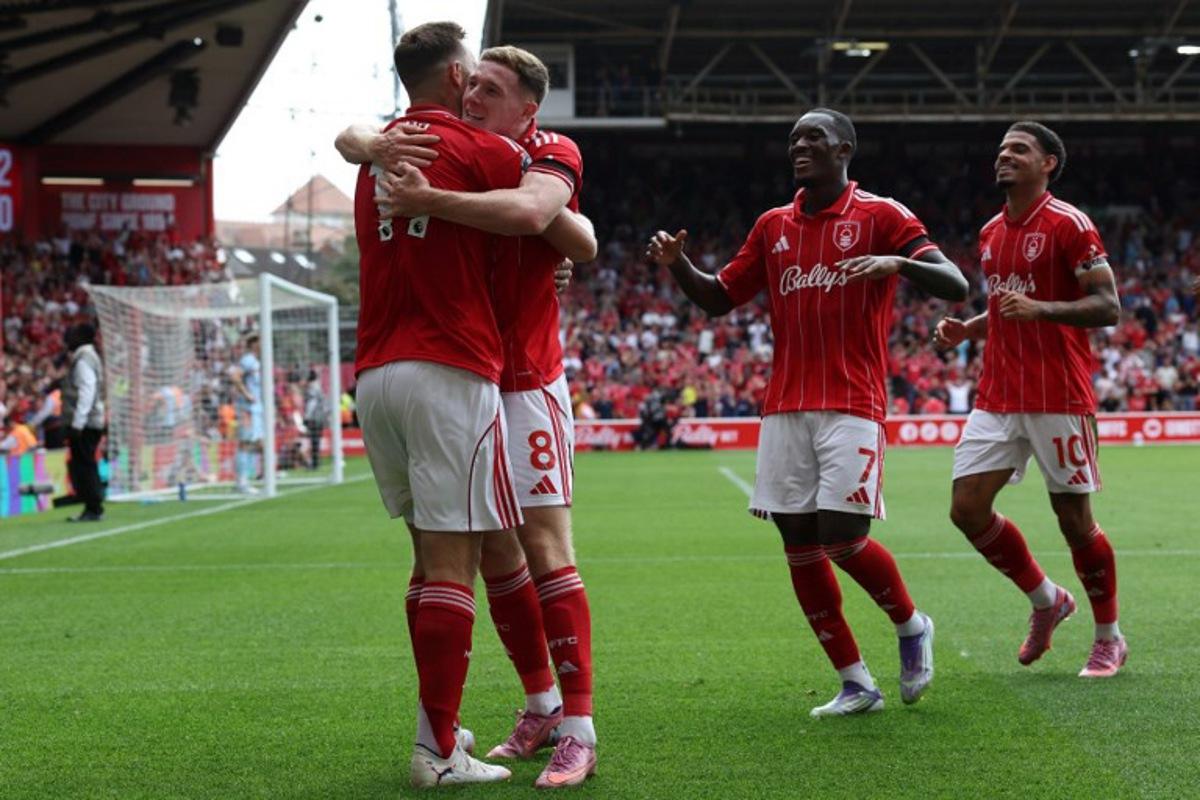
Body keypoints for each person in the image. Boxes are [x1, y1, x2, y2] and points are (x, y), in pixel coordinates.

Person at [648, 108, 968, 716]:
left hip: (853, 400)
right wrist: (679, 267)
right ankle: (855, 681)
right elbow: (720, 298)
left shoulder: (882, 214)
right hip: (785, 405)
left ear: (844, 147)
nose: (800, 146)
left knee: (842, 536)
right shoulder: (773, 225)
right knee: (797, 539)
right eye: (794, 138)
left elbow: (954, 283)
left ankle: (910, 625)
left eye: (813, 137)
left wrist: (897, 263)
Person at [339, 45, 599, 788]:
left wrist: (431, 201)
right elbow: (354, 138)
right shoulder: (446, 147)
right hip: (465, 373)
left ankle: (579, 727)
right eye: (472, 82)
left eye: (492, 88)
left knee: (546, 546)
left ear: (527, 108)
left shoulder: (545, 149)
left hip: (525, 375)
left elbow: (565, 228)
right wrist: (369, 142)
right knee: (487, 552)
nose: (476, 94)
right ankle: (541, 703)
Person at [933, 121, 1125, 677]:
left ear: (1049, 164)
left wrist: (1041, 309)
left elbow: (1108, 306)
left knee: (1074, 520)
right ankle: (1047, 600)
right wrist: (971, 329)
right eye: (1001, 150)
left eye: (1019, 150)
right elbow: (1003, 305)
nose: (1004, 157)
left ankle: (1109, 637)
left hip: (1057, 392)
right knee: (966, 509)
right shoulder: (992, 231)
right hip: (998, 393)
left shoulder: (1070, 224)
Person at [61, 322, 106, 522]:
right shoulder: (91, 356)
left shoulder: (83, 360)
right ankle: (94, 506)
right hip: (93, 420)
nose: (69, 338)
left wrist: (78, 423)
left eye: (74, 334)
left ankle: (93, 508)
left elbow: (87, 391)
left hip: (85, 423)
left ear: (81, 337)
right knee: (87, 463)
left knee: (84, 465)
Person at [229, 334, 263, 494]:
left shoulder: (256, 361)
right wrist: (247, 394)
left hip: (255, 410)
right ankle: (241, 482)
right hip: (247, 409)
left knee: (254, 443)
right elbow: (235, 376)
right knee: (245, 443)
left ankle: (250, 477)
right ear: (254, 343)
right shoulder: (248, 360)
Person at [302, 370, 325, 470]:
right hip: (320, 417)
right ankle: (316, 461)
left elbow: (312, 403)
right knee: (317, 441)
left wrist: (307, 417)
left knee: (314, 441)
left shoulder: (312, 388)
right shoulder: (319, 387)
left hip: (314, 418)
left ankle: (315, 463)